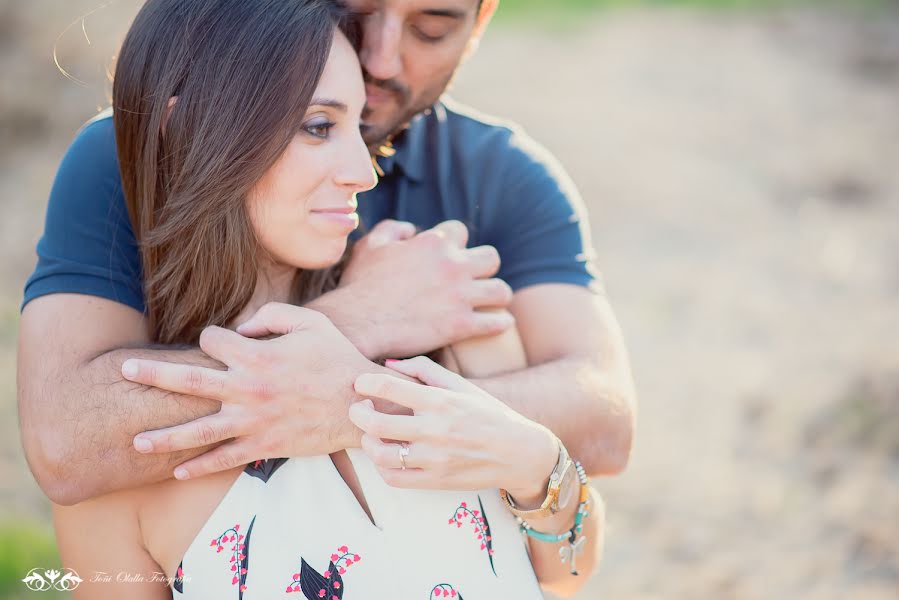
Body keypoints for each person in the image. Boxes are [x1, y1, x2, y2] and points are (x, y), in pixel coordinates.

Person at [50, 1, 604, 597]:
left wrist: (538, 463)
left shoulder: (449, 320)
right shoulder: (122, 472)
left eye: (359, 127)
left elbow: (567, 574)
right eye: (318, 127)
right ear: (187, 130)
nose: (365, 173)